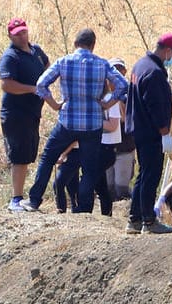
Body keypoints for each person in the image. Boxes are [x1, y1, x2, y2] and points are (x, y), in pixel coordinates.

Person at [27, 28, 128, 213]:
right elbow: (123, 85)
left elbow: (41, 84)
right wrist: (107, 103)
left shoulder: (64, 62)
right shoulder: (102, 64)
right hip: (93, 124)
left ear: (75, 44)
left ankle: (34, 200)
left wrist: (55, 104)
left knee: (48, 158)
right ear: (93, 45)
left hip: (68, 122)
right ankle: (84, 209)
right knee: (89, 169)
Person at [126, 33, 172, 234]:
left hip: (138, 128)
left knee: (143, 174)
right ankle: (149, 222)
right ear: (167, 50)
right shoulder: (154, 73)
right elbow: (156, 106)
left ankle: (135, 219)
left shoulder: (140, 65)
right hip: (151, 131)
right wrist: (165, 133)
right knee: (151, 175)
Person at [0, 18, 51, 212]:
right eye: (17, 33)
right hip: (15, 113)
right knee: (19, 156)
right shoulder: (10, 57)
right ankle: (16, 199)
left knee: (28, 154)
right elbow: (6, 84)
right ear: (10, 35)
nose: (22, 36)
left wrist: (44, 83)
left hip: (32, 112)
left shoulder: (36, 51)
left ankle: (21, 198)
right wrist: (32, 89)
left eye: (24, 32)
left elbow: (47, 66)